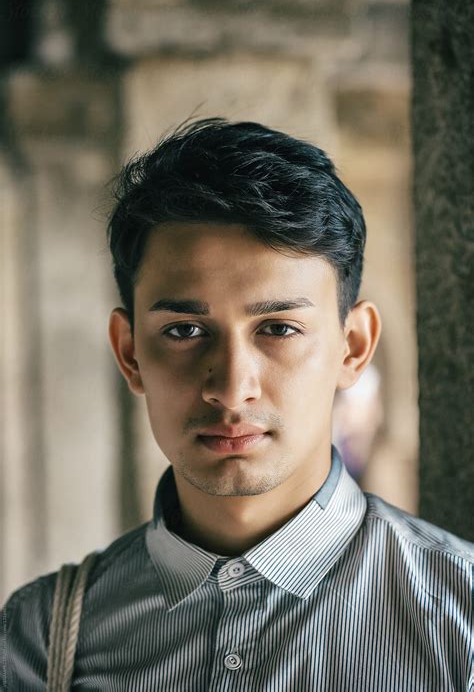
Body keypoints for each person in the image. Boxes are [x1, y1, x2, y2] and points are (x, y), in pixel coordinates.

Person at [1, 118, 473, 691]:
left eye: (277, 328)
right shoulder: (41, 638)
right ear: (129, 354)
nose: (230, 387)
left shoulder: (460, 623)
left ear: (353, 347)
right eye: (183, 331)